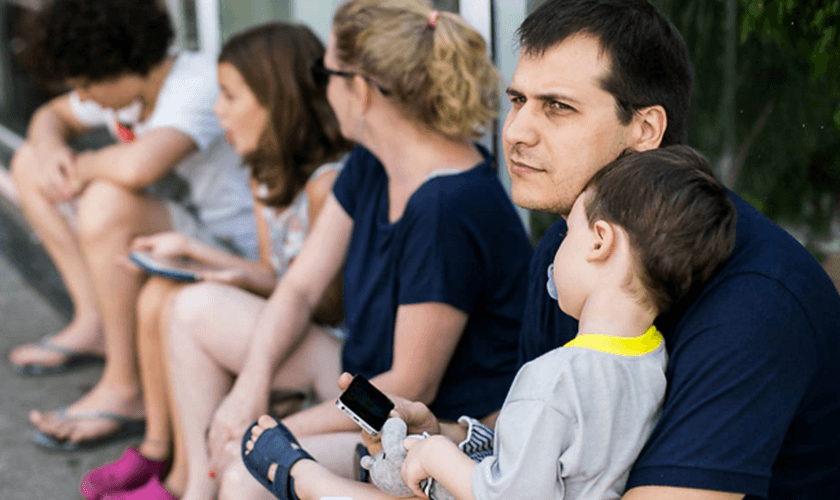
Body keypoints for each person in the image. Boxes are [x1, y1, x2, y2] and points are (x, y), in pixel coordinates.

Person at [344, 1, 839, 499]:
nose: (515, 132)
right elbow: (559, 453)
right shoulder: (566, 252)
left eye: (557, 107)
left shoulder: (755, 300)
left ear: (645, 129)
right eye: (518, 101)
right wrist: (452, 439)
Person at [170, 1, 532, 499]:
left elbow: (411, 385)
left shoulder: (448, 206)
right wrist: (248, 391)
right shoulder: (372, 160)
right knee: (193, 310)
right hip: (358, 376)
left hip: (428, 426)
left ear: (360, 90)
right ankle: (194, 491)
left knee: (248, 470)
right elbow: (299, 286)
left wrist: (276, 429)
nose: (323, 88)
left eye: (328, 73)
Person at [240, 144, 739, 500]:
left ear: (599, 242)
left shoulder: (553, 378)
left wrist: (436, 458)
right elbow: (553, 462)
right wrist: (447, 437)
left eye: (568, 231)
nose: (555, 248)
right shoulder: (654, 360)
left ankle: (302, 477)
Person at [74, 22, 352, 500]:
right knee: (172, 294)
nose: (218, 109)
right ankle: (185, 478)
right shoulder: (266, 174)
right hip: (301, 334)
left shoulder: (329, 185)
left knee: (193, 307)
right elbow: (274, 273)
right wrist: (198, 255)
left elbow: (325, 305)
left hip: (339, 361)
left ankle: (189, 483)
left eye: (229, 96)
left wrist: (225, 283)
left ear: (275, 98)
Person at [9, 0, 257, 449]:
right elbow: (50, 116)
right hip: (187, 229)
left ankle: (125, 388)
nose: (82, 97)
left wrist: (80, 165)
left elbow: (140, 167)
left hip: (240, 254)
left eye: (85, 85)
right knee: (29, 162)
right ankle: (94, 324)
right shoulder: (127, 88)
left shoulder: (197, 83)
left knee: (107, 202)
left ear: (120, 65)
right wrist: (51, 150)